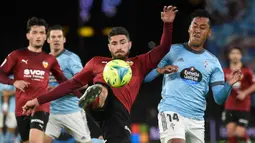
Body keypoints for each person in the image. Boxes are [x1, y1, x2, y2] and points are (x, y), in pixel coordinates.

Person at [22, 5, 177, 143]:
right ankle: (95, 96)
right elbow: (70, 84)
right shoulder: (96, 62)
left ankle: (90, 96)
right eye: (114, 44)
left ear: (129, 44)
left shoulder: (139, 63)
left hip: (119, 112)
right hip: (101, 105)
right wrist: (38, 100)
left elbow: (163, 48)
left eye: (122, 42)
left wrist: (168, 24)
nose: (119, 47)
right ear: (109, 47)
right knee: (101, 88)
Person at [143, 9, 243, 143]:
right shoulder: (171, 51)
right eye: (194, 26)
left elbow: (219, 98)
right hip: (171, 111)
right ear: (189, 29)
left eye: (202, 28)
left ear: (209, 33)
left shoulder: (214, 63)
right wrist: (159, 71)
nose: (197, 30)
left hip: (196, 119)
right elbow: (146, 77)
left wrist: (228, 85)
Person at [0, 17, 69, 143]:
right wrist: (13, 82)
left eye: (42, 33)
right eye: (35, 32)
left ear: (45, 37)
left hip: (40, 107)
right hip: (21, 109)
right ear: (28, 35)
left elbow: (64, 82)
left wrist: (80, 90)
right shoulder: (17, 55)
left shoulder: (50, 59)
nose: (38, 36)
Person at [45, 25, 104, 143]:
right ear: (48, 40)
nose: (56, 39)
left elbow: (83, 84)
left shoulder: (71, 58)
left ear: (64, 39)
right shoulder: (45, 60)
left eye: (59, 36)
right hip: (52, 112)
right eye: (53, 37)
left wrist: (57, 90)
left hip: (72, 110)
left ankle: (101, 142)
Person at [222, 46, 255, 143]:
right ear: (229, 56)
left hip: (243, 106)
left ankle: (247, 140)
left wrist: (245, 93)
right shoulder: (225, 72)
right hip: (229, 106)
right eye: (233, 53)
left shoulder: (247, 71)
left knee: (239, 133)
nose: (235, 55)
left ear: (241, 56)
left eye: (237, 53)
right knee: (231, 134)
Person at [1, 75, 21, 143]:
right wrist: (5, 106)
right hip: (12, 108)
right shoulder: (9, 77)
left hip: (24, 108)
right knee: (10, 128)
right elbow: (5, 93)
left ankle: (15, 140)